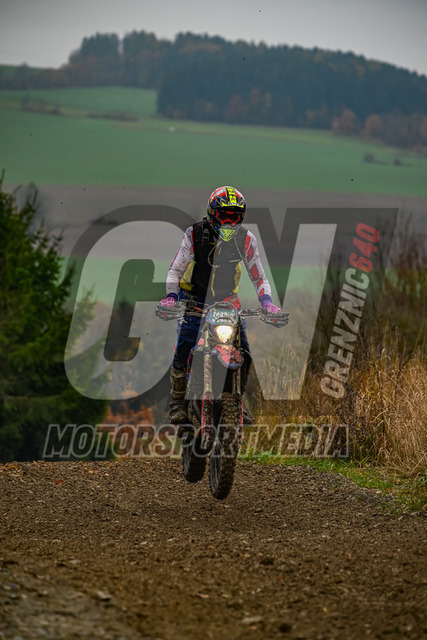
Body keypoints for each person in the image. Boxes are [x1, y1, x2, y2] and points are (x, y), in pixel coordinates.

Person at [160, 186, 280, 424]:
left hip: (227, 302)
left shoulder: (246, 239)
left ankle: (236, 401)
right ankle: (177, 401)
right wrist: (171, 297)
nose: (229, 222)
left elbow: (259, 277)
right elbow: (175, 270)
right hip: (193, 298)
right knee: (185, 342)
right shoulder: (194, 234)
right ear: (212, 213)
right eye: (224, 215)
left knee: (244, 349)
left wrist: (267, 303)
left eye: (235, 216)